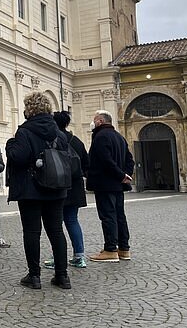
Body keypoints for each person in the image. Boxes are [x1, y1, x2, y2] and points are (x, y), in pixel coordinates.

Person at [6, 92, 71, 290]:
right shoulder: (59, 133)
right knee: (56, 231)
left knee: (32, 232)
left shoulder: (25, 131)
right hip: (56, 188)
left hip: (31, 189)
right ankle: (62, 276)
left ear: (30, 109)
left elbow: (18, 157)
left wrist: (10, 144)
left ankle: (34, 276)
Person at [86, 110, 134, 263]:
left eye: (94, 120)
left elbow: (105, 161)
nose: (93, 123)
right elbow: (129, 159)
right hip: (119, 185)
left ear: (100, 121)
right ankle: (124, 249)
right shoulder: (119, 137)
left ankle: (110, 249)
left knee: (108, 216)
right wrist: (125, 175)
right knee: (120, 216)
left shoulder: (100, 137)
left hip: (105, 183)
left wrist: (120, 175)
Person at [44, 111, 90, 269]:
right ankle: (79, 256)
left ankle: (57, 258)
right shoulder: (76, 140)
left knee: (56, 225)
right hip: (75, 187)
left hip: (58, 185)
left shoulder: (53, 139)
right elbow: (86, 164)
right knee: (72, 221)